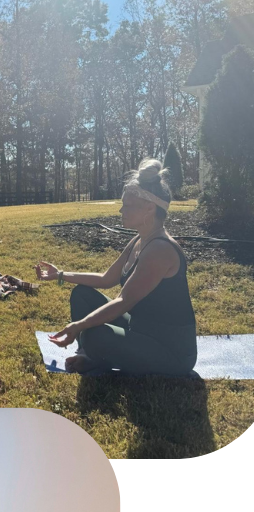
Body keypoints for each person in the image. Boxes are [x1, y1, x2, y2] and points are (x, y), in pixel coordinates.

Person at [37, 159, 197, 376]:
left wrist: (79, 325)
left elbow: (123, 302)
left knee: (93, 334)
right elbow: (106, 279)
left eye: (128, 205)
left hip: (172, 352)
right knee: (82, 295)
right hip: (140, 329)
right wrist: (61, 275)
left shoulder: (160, 250)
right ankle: (89, 355)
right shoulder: (139, 240)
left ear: (150, 208)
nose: (122, 210)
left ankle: (92, 354)